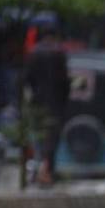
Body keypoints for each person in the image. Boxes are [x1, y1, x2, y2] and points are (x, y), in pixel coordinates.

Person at [25, 27, 70, 186]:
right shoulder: (59, 53)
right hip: (55, 104)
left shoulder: (33, 54)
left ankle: (38, 171)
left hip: (37, 104)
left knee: (38, 139)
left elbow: (27, 79)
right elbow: (65, 82)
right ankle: (47, 172)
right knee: (52, 140)